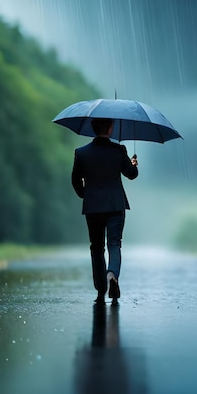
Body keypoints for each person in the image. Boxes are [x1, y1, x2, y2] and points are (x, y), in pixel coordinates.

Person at [71, 117, 138, 305]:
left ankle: (101, 289)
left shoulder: (81, 153)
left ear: (93, 128)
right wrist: (133, 164)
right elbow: (131, 175)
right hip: (116, 205)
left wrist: (85, 194)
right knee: (114, 243)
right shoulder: (119, 150)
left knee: (96, 247)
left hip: (93, 206)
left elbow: (75, 180)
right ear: (109, 128)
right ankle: (112, 276)